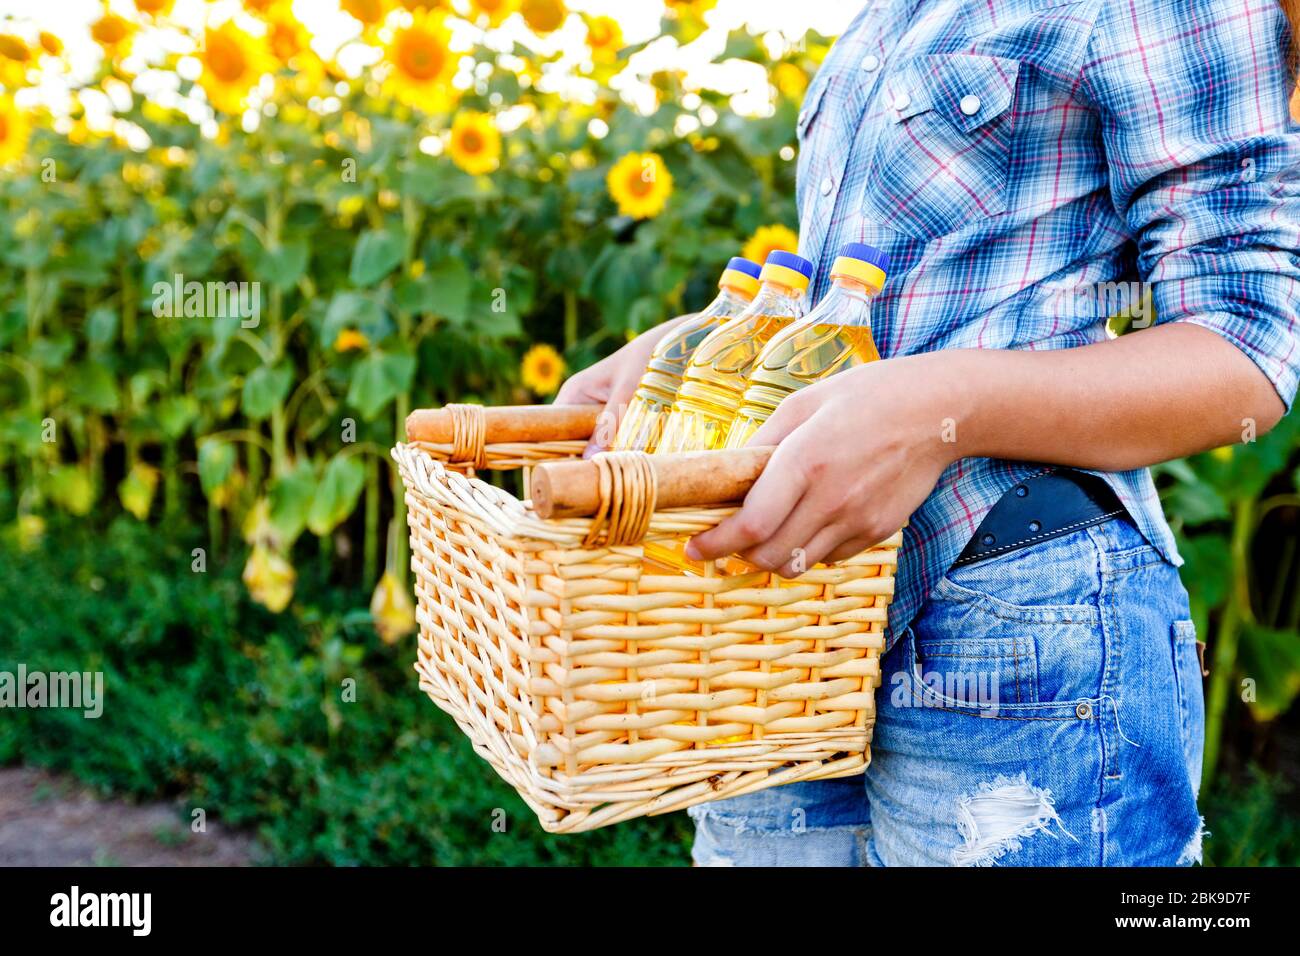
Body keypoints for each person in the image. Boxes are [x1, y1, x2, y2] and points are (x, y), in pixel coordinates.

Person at [556, 0, 1300, 866]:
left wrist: (941, 412)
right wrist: (710, 341)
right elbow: (891, 297)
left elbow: (1247, 351)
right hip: (799, 621)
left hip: (1019, 621)